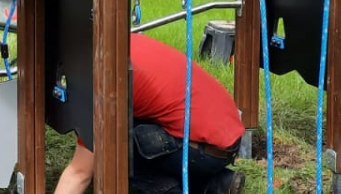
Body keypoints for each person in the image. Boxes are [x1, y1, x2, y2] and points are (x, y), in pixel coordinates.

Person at [53, 33, 246, 194]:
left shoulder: (106, 79)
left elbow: (80, 173)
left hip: (207, 150)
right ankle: (216, 184)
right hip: (224, 135)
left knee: (115, 152)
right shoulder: (114, 42)